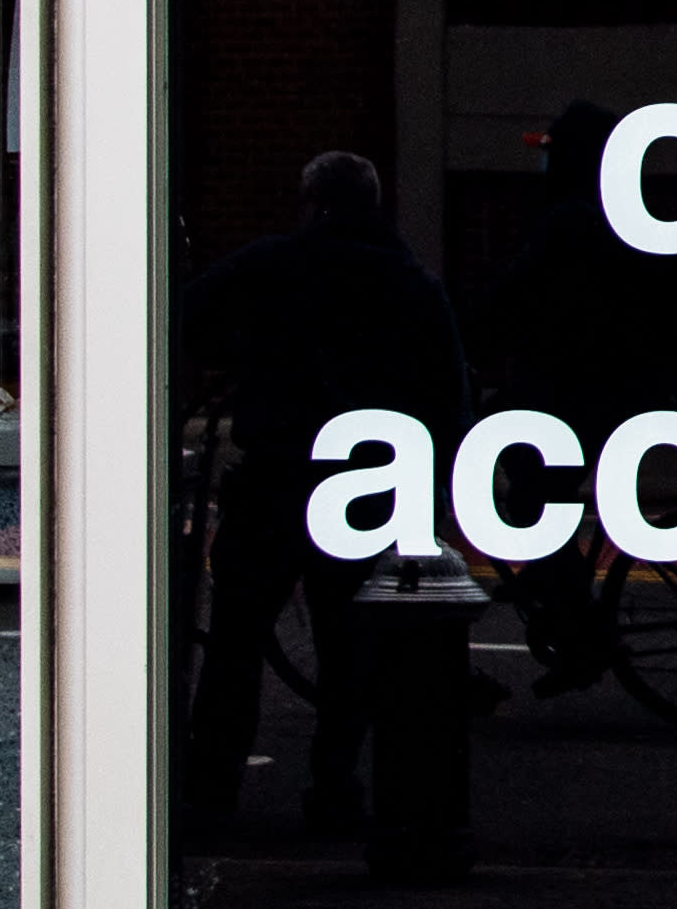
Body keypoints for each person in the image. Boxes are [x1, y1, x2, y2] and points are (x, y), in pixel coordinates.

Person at [176, 151, 466, 840]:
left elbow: (185, 315)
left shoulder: (274, 263)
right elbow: (447, 389)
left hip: (277, 472)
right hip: (365, 485)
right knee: (349, 649)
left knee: (236, 643)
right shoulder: (410, 281)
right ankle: (334, 785)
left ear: (312, 203)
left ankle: (212, 789)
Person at [466, 96, 677, 693]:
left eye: (551, 155)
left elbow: (513, 292)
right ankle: (559, 583)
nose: (544, 168)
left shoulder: (574, 220)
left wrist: (466, 337)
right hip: (627, 390)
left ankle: (572, 619)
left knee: (517, 458)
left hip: (597, 393)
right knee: (534, 467)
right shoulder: (624, 214)